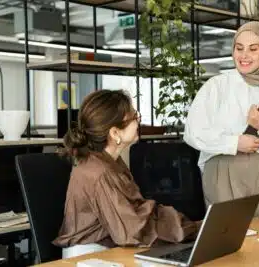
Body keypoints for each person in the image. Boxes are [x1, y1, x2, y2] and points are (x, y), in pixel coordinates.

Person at [53, 90, 200, 258]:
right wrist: (191, 230)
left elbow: (137, 214)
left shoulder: (110, 161)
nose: (138, 121)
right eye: (134, 117)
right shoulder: (100, 172)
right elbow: (133, 230)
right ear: (115, 133)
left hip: (109, 246)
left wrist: (189, 228)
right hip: (89, 256)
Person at [183, 21, 259, 216]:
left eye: (253, 49)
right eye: (239, 48)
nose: (244, 55)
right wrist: (235, 142)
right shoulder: (216, 86)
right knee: (225, 237)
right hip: (222, 173)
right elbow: (192, 133)